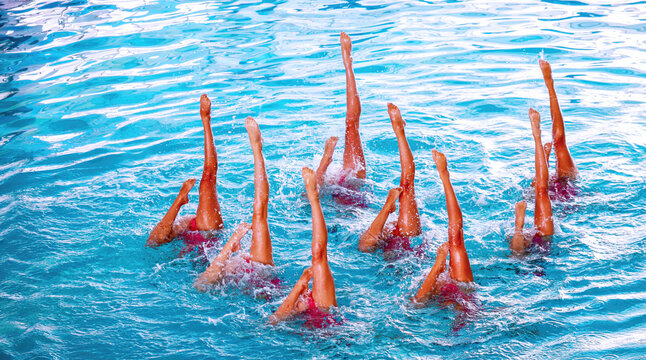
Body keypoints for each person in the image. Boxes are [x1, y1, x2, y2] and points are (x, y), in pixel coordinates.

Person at [193, 117, 276, 289]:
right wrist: (234, 239)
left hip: (260, 276)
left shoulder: (225, 269)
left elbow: (201, 285)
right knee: (260, 213)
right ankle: (257, 150)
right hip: (262, 272)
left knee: (260, 211)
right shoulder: (225, 270)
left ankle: (257, 150)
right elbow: (201, 285)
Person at [146, 94, 224, 247]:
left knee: (208, 178)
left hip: (204, 238)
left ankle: (206, 121)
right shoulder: (189, 223)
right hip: (205, 240)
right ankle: (180, 200)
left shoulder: (191, 223)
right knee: (154, 242)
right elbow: (153, 242)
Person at [269, 168, 338, 327]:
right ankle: (313, 199)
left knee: (318, 256)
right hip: (319, 340)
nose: (306, 293)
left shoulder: (316, 305)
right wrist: (300, 285)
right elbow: (272, 322)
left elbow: (319, 253)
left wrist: (301, 286)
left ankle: (314, 199)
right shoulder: (299, 308)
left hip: (330, 327)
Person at [412, 150, 474, 303]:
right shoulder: (459, 286)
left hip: (459, 299)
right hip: (463, 296)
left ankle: (438, 265)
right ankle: (438, 265)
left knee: (417, 302)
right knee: (456, 242)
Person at [315, 32, 366, 188]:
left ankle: (325, 161)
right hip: (354, 184)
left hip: (340, 190)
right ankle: (348, 64)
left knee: (313, 193)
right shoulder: (354, 175)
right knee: (351, 124)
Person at [509, 109, 555, 255]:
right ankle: (537, 139)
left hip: (543, 243)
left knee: (541, 191)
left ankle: (518, 228)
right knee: (541, 191)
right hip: (543, 242)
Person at [539, 60, 577, 181]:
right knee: (559, 142)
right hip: (569, 183)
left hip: (552, 189)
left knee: (559, 141)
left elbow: (538, 187)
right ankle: (550, 85)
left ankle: (550, 85)